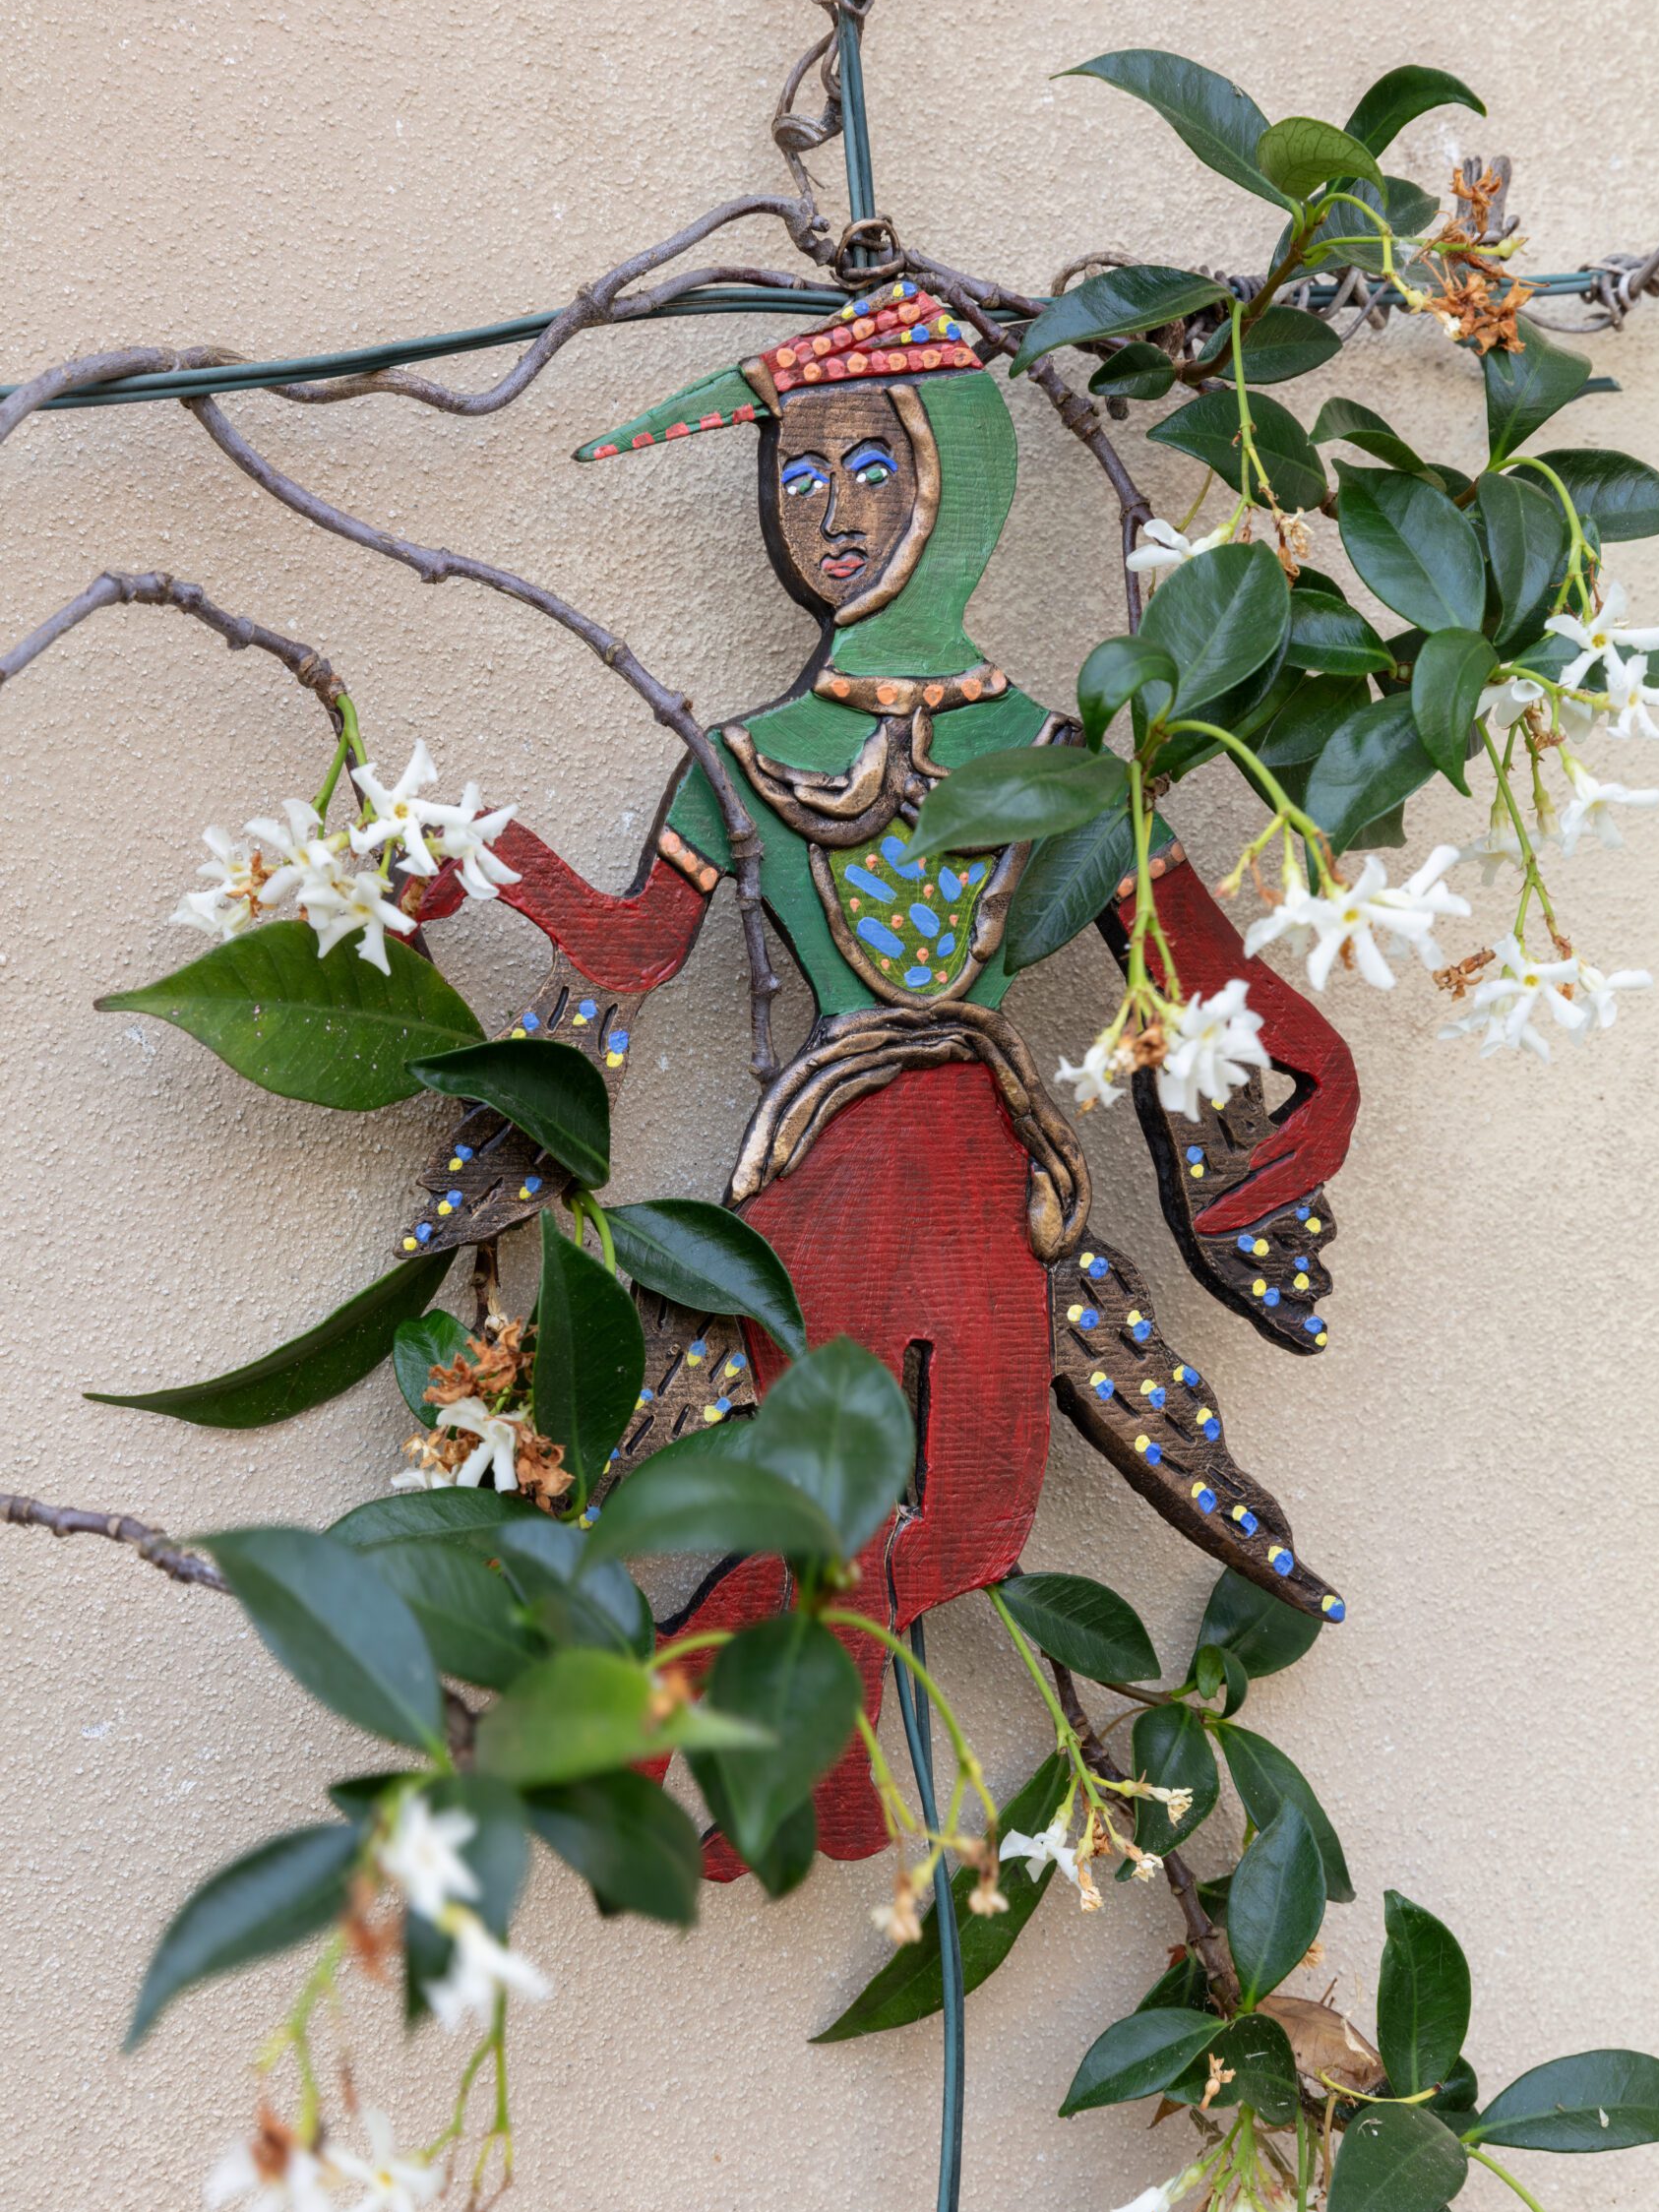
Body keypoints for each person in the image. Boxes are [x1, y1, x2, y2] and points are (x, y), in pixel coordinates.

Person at [410, 280, 1358, 1874]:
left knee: (973, 1525)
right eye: (797, 474)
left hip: (997, 1191)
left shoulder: (1054, 754)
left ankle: (697, 1724)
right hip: (822, 1184)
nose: (831, 513)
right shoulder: (743, 761)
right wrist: (470, 848)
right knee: (856, 1516)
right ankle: (776, 1767)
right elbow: (637, 949)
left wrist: (1318, 1072)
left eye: (870, 469)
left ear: (954, 479)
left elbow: (1194, 961)